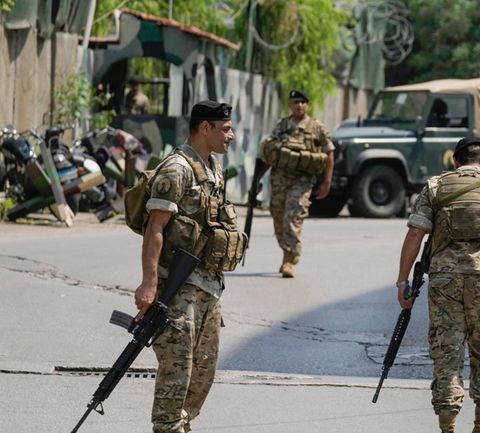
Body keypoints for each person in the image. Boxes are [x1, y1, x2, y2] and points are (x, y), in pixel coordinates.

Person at [397, 136, 480, 433]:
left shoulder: (436, 186)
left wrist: (403, 281)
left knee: (447, 354)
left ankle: (448, 427)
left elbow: (415, 235)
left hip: (444, 280)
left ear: (455, 161)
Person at [135, 101, 243, 433]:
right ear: (205, 128)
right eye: (225, 129)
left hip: (209, 288)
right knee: (176, 374)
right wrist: (148, 284)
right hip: (176, 290)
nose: (231, 135)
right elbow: (155, 229)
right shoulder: (176, 168)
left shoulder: (215, 168)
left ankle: (178, 425)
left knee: (204, 372)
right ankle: (167, 428)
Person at [260, 89, 334, 277]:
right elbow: (270, 153)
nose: (299, 105)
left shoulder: (317, 127)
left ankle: (289, 258)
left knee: (293, 214)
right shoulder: (281, 126)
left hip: (302, 180)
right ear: (290, 105)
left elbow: (329, 154)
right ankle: (287, 250)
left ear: (307, 104)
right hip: (279, 179)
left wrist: (326, 181)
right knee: (278, 216)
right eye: (295, 102)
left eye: (302, 101)